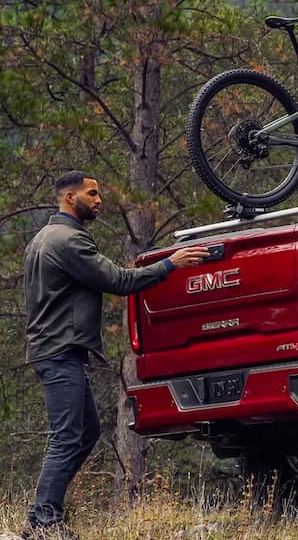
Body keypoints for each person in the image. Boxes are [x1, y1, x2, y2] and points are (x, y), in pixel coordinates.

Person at [21, 171, 208, 538]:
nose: (99, 201)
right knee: (67, 436)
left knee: (86, 431)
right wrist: (171, 264)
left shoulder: (41, 239)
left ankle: (43, 513)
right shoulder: (69, 241)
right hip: (60, 351)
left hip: (55, 350)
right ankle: (44, 520)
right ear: (69, 197)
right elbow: (120, 281)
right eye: (92, 194)